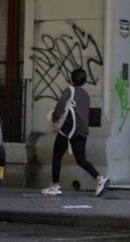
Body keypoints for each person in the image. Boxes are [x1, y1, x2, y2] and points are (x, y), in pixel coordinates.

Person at [42, 68, 110, 197]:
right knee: (81, 159)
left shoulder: (69, 90)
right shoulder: (85, 94)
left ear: (71, 79)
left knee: (57, 155)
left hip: (69, 129)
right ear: (83, 81)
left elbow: (62, 102)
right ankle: (100, 179)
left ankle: (55, 186)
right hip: (82, 131)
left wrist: (56, 116)